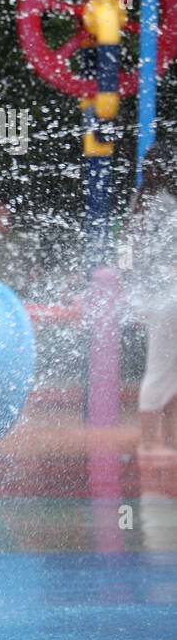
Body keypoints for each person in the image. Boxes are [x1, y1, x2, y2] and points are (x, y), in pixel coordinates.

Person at [122, 139, 177, 464]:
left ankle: (165, 439)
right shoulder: (169, 206)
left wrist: (135, 289)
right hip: (169, 298)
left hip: (153, 297)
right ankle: (150, 442)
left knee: (164, 370)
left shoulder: (141, 202)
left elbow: (128, 256)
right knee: (160, 371)